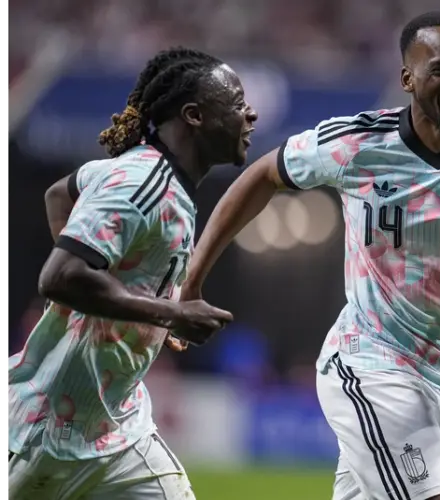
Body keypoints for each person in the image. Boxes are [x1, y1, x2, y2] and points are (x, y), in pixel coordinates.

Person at [183, 10, 440, 500]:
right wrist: (191, 282)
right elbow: (264, 173)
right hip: (369, 363)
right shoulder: (360, 144)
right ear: (407, 78)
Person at [8, 47, 257, 499]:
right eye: (237, 104)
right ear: (195, 115)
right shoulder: (142, 184)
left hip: (117, 429)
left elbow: (58, 196)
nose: (250, 114)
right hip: (48, 432)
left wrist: (142, 307)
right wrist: (167, 314)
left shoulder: (157, 179)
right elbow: (60, 277)